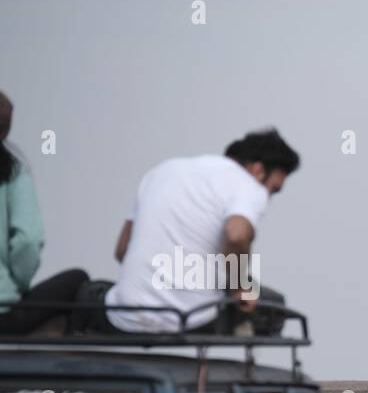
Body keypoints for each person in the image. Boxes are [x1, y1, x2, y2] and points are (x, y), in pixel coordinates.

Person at [83, 128, 300, 334]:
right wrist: (239, 287)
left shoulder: (160, 172)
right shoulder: (248, 185)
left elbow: (122, 251)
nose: (269, 197)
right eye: (273, 189)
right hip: (193, 320)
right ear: (258, 170)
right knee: (271, 304)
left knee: (88, 290)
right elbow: (236, 236)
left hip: (124, 317)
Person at [0, 91, 89, 335]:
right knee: (78, 278)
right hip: (4, 314)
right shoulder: (11, 170)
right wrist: (15, 285)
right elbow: (28, 240)